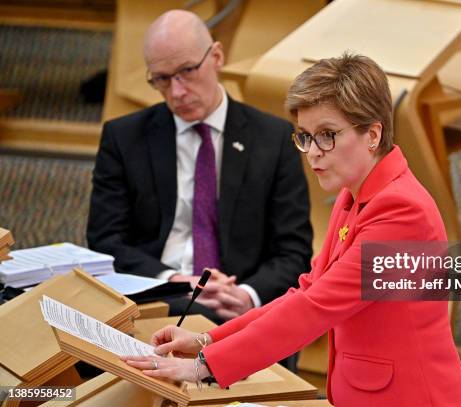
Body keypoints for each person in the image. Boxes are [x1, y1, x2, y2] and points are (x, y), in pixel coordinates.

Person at [123, 54, 461, 406]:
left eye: (327, 136)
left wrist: (203, 367)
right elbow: (307, 291)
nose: (312, 153)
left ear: (372, 134)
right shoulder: (354, 194)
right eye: (305, 136)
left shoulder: (402, 212)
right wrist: (208, 341)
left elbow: (315, 308)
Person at [86, 10, 312, 322]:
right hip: (157, 299)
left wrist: (248, 295)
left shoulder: (271, 139)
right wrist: (171, 282)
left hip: (237, 307)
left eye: (187, 71)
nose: (177, 92)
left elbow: (293, 251)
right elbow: (105, 241)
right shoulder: (124, 137)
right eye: (162, 79)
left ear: (217, 56)